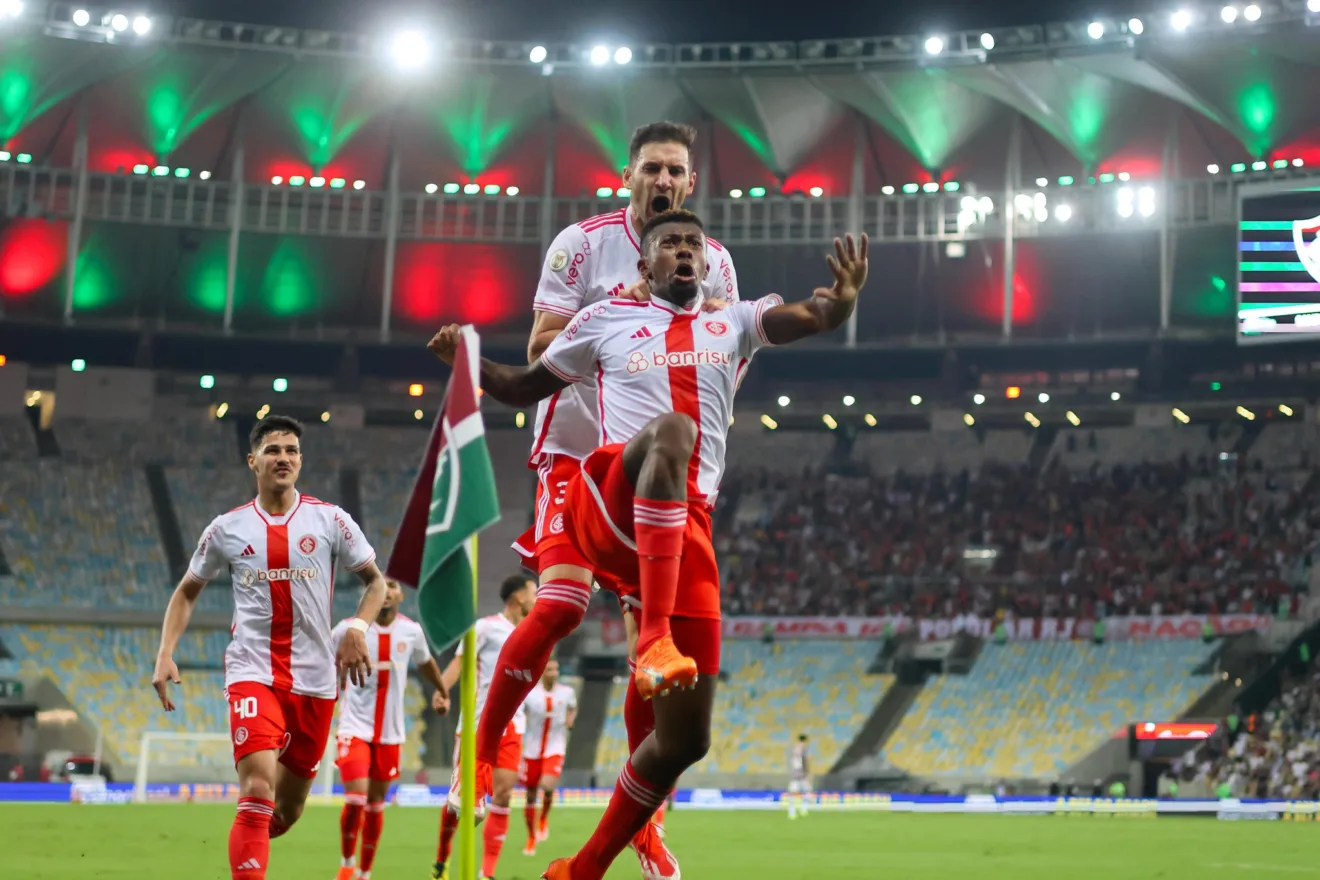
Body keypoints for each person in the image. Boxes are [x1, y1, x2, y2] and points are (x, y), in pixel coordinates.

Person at [427, 209, 869, 880]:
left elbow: (810, 316)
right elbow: (521, 388)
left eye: (695, 244)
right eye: (671, 245)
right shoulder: (604, 321)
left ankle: (583, 868)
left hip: (682, 530)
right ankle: (491, 744)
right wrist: (467, 359)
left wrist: (840, 303)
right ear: (645, 265)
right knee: (672, 434)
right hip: (606, 498)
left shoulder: (734, 322)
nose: (686, 252)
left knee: (685, 740)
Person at [472, 119, 738, 879]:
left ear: (691, 183)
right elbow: (535, 356)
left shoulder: (712, 259)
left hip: (661, 480)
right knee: (556, 606)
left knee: (649, 668)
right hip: (575, 453)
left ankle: (641, 829)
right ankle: (482, 754)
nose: (663, 180)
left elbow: (724, 354)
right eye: (651, 168)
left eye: (676, 171)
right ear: (628, 175)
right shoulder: (581, 245)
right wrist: (626, 315)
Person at [151, 414, 387, 880]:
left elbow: (376, 583)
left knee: (287, 810)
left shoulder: (331, 519)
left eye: (292, 450)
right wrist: (165, 652)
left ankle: (249, 836)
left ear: (301, 460)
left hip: (316, 682)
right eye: (274, 450)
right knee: (257, 788)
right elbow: (186, 591)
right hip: (252, 672)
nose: (284, 458)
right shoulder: (227, 529)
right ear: (252, 460)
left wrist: (358, 627)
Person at [331, 578, 451, 880]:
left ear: (400, 595)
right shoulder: (347, 629)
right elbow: (321, 659)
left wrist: (442, 690)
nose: (386, 590)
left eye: (392, 585)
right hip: (354, 726)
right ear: (370, 592)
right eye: (380, 584)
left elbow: (425, 663)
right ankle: (347, 863)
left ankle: (365, 872)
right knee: (356, 798)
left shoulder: (411, 631)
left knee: (374, 805)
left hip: (390, 733)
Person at [433, 575, 537, 880]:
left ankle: (486, 873)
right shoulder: (486, 627)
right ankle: (441, 861)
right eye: (534, 592)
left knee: (503, 795)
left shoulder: (533, 632)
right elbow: (460, 662)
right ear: (518, 597)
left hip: (513, 725)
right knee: (459, 805)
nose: (537, 598)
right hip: (477, 724)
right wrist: (442, 690)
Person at [519, 659, 578, 855]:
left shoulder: (567, 692)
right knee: (530, 794)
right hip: (532, 750)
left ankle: (543, 818)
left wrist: (570, 719)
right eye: (550, 669)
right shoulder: (531, 694)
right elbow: (520, 713)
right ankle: (530, 836)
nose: (554, 672)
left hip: (555, 747)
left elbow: (572, 707)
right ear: (542, 672)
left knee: (548, 786)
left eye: (556, 669)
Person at [786, 734, 811, 820]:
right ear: (804, 741)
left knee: (792, 793)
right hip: (801, 775)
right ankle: (803, 809)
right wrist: (807, 774)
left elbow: (791, 762)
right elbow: (805, 762)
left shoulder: (794, 749)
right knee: (808, 791)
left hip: (793, 775)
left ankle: (791, 813)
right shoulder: (804, 750)